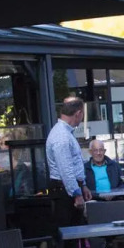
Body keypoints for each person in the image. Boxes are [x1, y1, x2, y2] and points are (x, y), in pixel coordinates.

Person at [45, 95, 91, 228]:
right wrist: (76, 194)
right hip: (65, 192)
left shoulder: (65, 133)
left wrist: (82, 185)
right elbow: (66, 169)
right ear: (78, 113)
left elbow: (73, 164)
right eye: (82, 115)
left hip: (68, 189)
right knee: (71, 234)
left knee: (76, 233)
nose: (82, 119)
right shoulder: (62, 136)